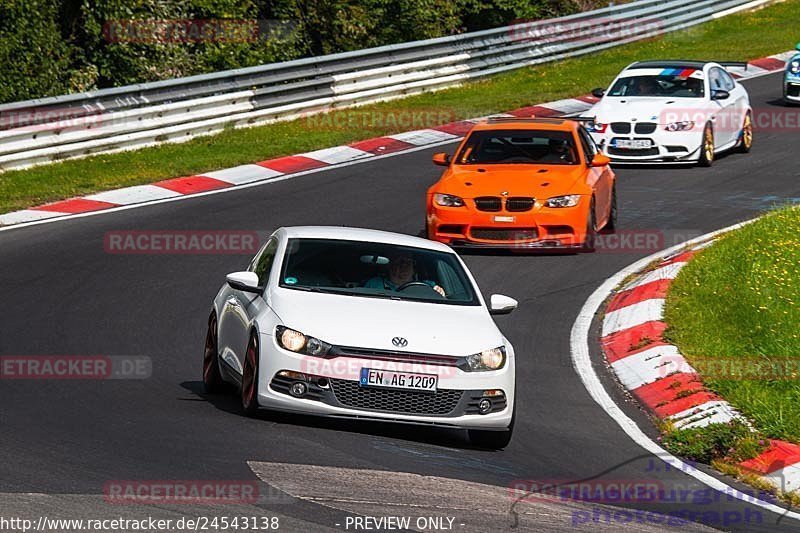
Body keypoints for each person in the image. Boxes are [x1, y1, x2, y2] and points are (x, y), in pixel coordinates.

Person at [364, 253, 446, 296]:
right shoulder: (374, 284)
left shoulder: (427, 285)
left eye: (408, 262)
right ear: (390, 266)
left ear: (414, 267)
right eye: (399, 262)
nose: (404, 265)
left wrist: (439, 292)